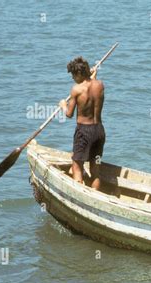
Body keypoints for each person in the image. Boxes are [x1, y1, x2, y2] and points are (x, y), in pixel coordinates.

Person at [59, 57, 105, 190]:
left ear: (79, 74)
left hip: (84, 131)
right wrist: (93, 76)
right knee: (95, 167)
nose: (73, 78)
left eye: (73, 75)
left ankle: (78, 194)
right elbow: (92, 85)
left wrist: (63, 105)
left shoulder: (76, 90)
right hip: (99, 131)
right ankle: (95, 195)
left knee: (77, 164)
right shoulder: (100, 85)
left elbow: (69, 114)